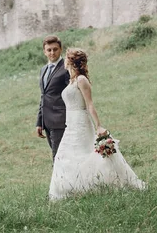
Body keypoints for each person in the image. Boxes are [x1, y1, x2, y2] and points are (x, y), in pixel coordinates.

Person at [49, 48, 145, 200]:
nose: (64, 61)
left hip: (81, 122)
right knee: (66, 155)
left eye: (67, 58)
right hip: (71, 124)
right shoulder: (72, 81)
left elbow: (90, 105)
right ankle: (70, 190)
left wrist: (99, 126)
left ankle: (94, 185)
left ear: (70, 61)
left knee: (83, 154)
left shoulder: (81, 80)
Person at [36, 35, 70, 161]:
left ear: (60, 49)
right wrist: (39, 122)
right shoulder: (43, 70)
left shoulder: (66, 67)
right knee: (58, 155)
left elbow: (73, 93)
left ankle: (60, 181)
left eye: (55, 49)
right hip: (47, 121)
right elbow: (43, 96)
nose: (52, 52)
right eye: (49, 50)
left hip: (61, 119)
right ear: (44, 52)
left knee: (58, 157)